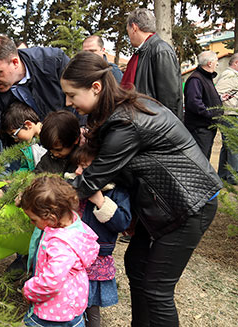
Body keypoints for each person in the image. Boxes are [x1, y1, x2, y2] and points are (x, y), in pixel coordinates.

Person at [62, 51, 222, 327]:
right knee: (136, 264)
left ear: (96, 88)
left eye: (72, 95)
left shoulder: (125, 122)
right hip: (168, 200)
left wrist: (45, 195)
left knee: (158, 289)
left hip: (190, 203)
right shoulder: (117, 113)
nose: (68, 102)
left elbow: (91, 181)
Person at [0, 35, 71, 210]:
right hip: (22, 147)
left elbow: (78, 98)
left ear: (15, 62)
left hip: (67, 138)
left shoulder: (53, 62)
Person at [18, 175, 99, 327]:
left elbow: (51, 281)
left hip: (53, 313)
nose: (32, 223)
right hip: (72, 306)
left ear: (52, 218)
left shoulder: (60, 244)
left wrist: (29, 289)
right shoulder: (74, 224)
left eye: (33, 219)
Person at [70, 144, 132, 327]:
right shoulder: (75, 187)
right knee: (72, 299)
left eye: (84, 167)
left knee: (91, 305)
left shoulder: (116, 192)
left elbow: (122, 223)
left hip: (96, 258)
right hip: (73, 255)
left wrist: (101, 202)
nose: (77, 171)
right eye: (77, 166)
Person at [121, 8, 183, 120]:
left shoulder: (161, 50)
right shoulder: (143, 52)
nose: (129, 36)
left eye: (128, 31)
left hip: (156, 126)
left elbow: (169, 99)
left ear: (134, 28)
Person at [184, 51, 224, 160]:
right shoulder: (196, 79)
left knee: (205, 159)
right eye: (216, 61)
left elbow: (206, 99)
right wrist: (211, 114)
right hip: (200, 128)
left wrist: (220, 99)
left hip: (206, 127)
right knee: (201, 160)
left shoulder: (205, 78)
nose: (217, 64)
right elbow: (194, 103)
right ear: (210, 63)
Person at [0, 101, 46, 171]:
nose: (15, 140)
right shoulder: (27, 146)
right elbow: (25, 166)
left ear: (28, 125)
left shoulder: (51, 137)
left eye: (14, 134)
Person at [215, 52, 238, 184]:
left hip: (229, 114)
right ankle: (233, 177)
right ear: (236, 63)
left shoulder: (230, 75)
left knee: (228, 145)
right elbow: (218, 92)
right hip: (230, 115)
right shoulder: (230, 76)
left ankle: (223, 174)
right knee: (233, 145)